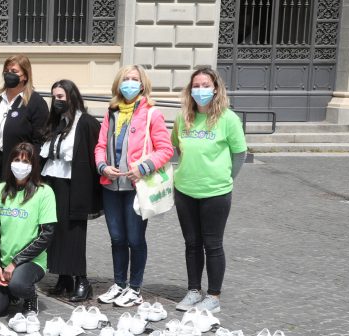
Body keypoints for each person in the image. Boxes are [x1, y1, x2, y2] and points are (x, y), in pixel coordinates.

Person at [94, 66, 174, 308]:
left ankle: (135, 288)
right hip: (111, 185)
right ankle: (119, 284)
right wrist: (102, 167)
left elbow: (166, 150)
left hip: (136, 187)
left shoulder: (152, 113)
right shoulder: (112, 112)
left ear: (142, 85)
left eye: (134, 80)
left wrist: (144, 167)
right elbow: (99, 146)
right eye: (125, 79)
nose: (129, 83)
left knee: (135, 239)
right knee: (117, 238)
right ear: (118, 84)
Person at [172, 66, 247, 314]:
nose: (200, 90)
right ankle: (193, 291)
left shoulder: (228, 119)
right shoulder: (184, 117)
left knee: (212, 244)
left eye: (205, 85)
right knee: (191, 243)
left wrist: (226, 178)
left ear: (216, 88)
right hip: (185, 190)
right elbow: (176, 148)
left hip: (216, 192)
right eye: (196, 86)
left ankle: (213, 296)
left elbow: (240, 153)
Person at [39, 79, 102, 303]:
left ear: (71, 97)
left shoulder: (85, 122)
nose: (56, 101)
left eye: (60, 97)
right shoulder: (55, 122)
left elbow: (96, 151)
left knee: (73, 232)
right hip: (52, 181)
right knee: (54, 230)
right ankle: (63, 276)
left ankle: (82, 280)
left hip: (74, 184)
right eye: (54, 97)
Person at [0, 142, 57, 317]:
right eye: (17, 160)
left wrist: (15, 262)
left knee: (18, 284)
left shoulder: (44, 192)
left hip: (31, 261)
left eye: (26, 162)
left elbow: (46, 234)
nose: (20, 165)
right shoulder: (1, 189)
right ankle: (12, 292)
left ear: (33, 166)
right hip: (3, 261)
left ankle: (30, 297)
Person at [0, 54, 49, 176]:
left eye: (14, 71)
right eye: (6, 71)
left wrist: (30, 165)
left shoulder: (35, 102)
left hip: (19, 165)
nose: (9, 74)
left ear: (24, 76)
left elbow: (40, 140)